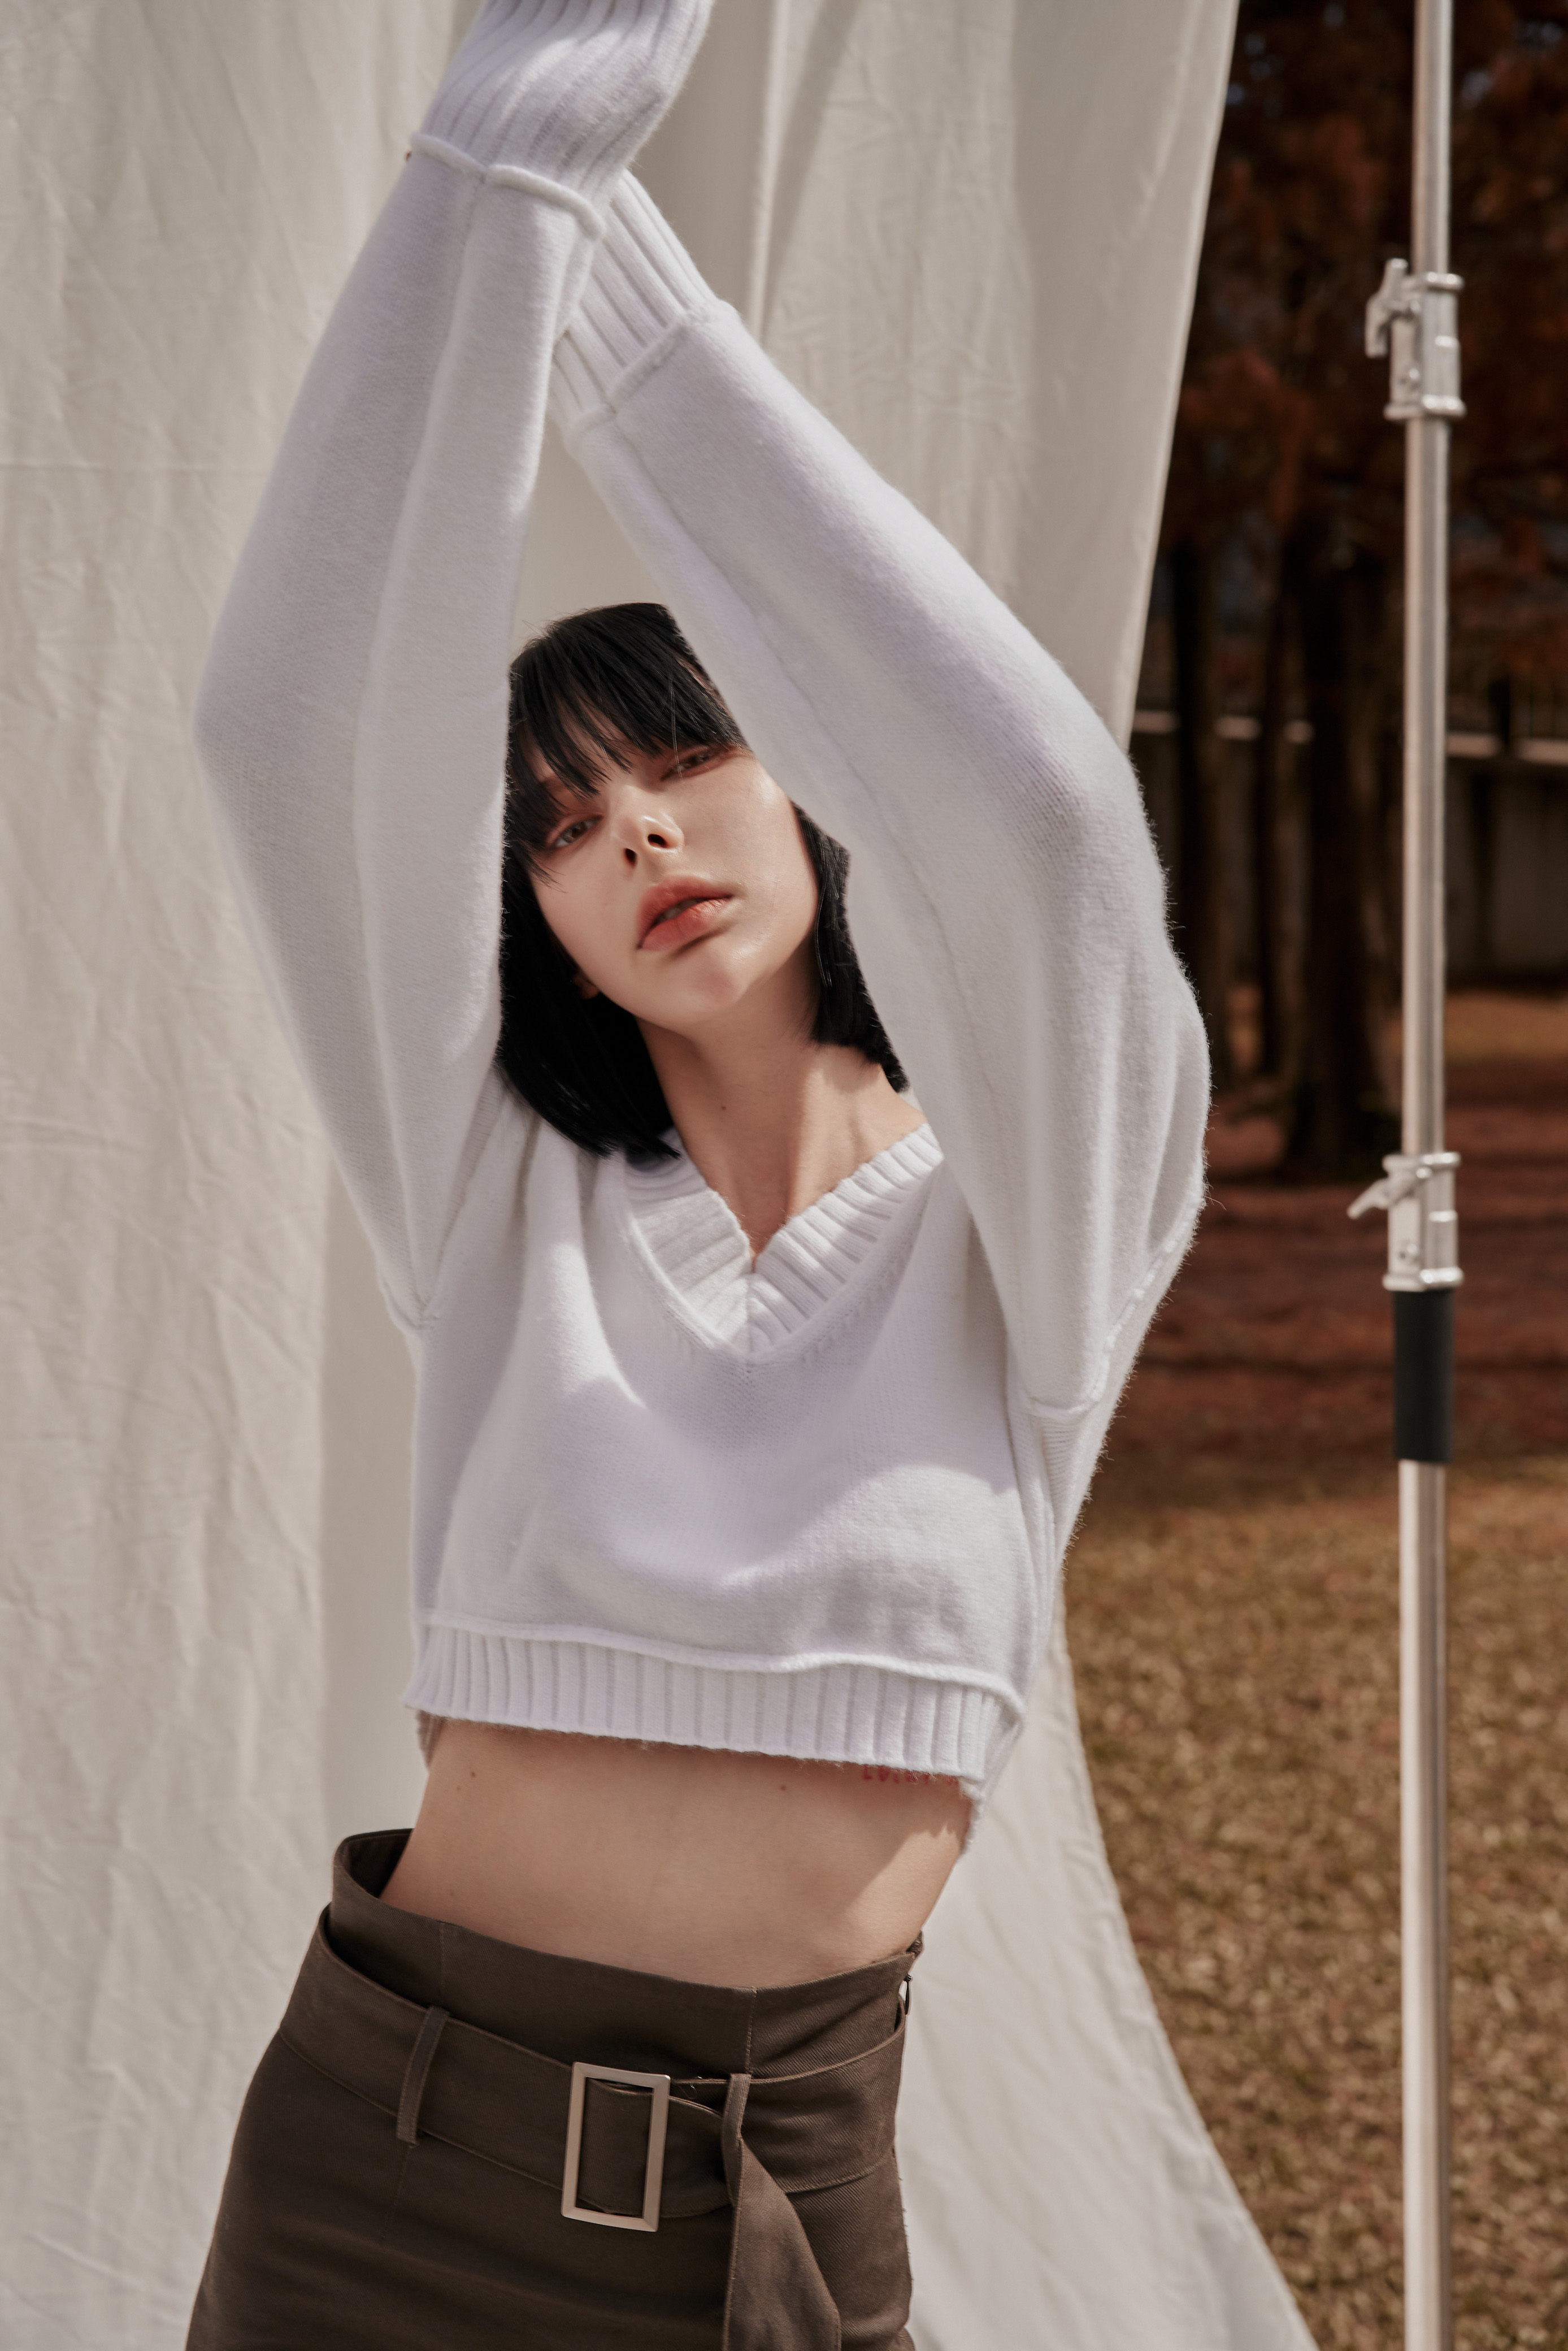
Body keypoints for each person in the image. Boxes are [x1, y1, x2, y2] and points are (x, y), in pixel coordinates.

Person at [185, 2, 1209, 2343]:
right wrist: (509, 152)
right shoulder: (492, 1199)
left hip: (769, 2191)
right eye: (559, 823)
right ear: (528, 916)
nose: (635, 832)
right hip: (379, 2156)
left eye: (681, 756)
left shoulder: (1026, 1233)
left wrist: (615, 288)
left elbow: (1045, 826)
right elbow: (282, 729)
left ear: (808, 767)